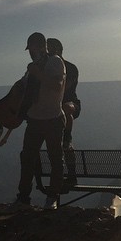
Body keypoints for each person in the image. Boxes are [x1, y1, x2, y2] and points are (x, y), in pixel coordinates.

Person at [15, 32, 66, 210]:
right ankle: (23, 198)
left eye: (33, 48)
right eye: (29, 49)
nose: (31, 52)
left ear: (42, 46)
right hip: (34, 120)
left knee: (55, 159)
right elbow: (23, 89)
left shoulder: (54, 62)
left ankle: (52, 198)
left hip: (53, 118)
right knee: (27, 158)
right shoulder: (32, 67)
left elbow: (56, 85)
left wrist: (37, 73)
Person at [46, 37, 80, 184]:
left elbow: (65, 90)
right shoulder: (46, 67)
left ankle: (67, 136)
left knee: (66, 109)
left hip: (70, 103)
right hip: (52, 106)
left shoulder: (70, 68)